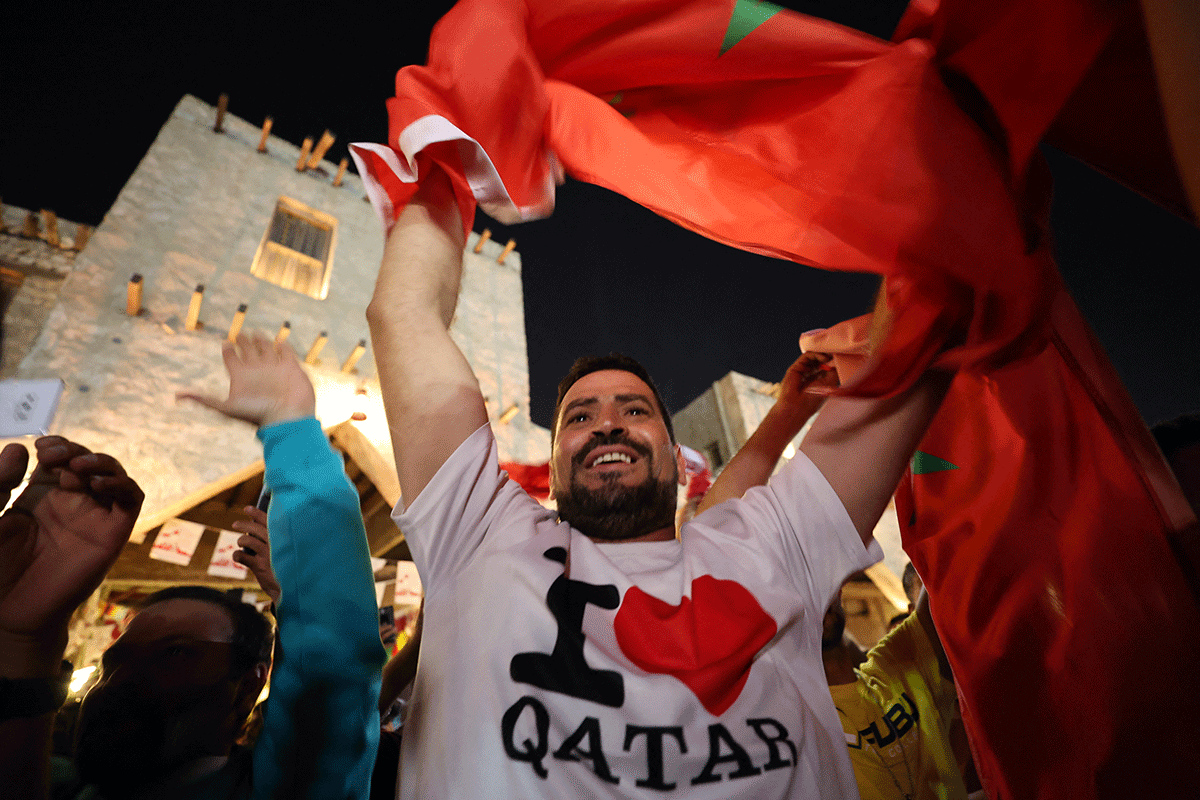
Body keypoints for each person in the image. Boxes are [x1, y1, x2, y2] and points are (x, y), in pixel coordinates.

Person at [366, 166, 954, 799]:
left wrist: (933, 141)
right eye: (580, 417)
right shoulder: (479, 539)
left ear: (677, 462)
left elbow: (927, 322)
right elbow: (402, 317)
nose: (607, 426)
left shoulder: (768, 553)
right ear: (555, 463)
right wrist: (449, 162)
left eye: (636, 410)